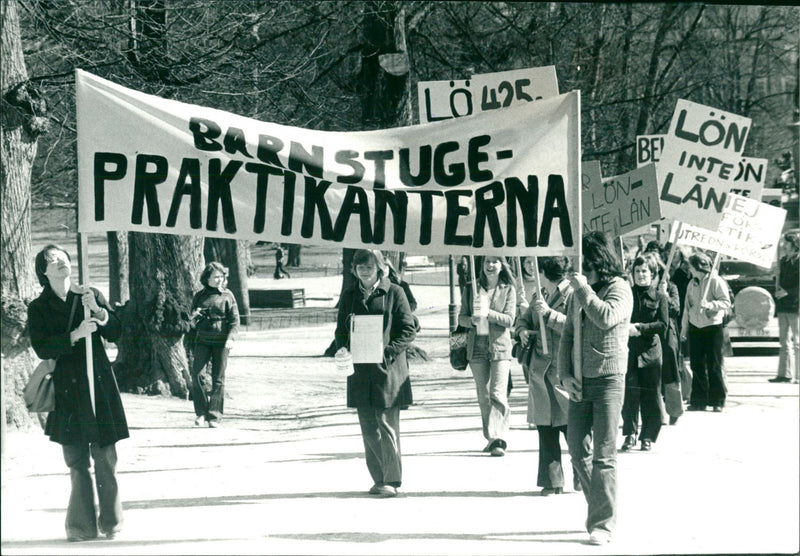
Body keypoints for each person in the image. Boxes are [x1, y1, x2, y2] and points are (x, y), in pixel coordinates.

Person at [27, 244, 127, 542]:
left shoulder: (89, 295)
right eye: (52, 261)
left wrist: (98, 313)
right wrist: (75, 336)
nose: (61, 263)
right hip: (67, 392)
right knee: (76, 461)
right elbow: (42, 347)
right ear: (43, 272)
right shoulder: (38, 307)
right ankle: (80, 526)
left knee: (105, 456)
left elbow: (116, 331)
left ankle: (112, 521)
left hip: (98, 385)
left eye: (63, 258)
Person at [557, 231, 633, 546]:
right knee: (577, 448)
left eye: (583, 262)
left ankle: (602, 523)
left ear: (596, 260)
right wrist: (564, 374)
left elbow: (606, 318)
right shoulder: (576, 292)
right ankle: (601, 505)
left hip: (608, 378)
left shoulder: (620, 288)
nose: (579, 268)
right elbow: (567, 335)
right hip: (580, 380)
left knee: (604, 453)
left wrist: (584, 289)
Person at [334, 249, 417, 498]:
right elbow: (341, 330)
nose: (364, 270)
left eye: (369, 265)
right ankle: (378, 478)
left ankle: (392, 479)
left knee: (386, 424)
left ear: (380, 267)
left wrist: (388, 353)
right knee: (368, 426)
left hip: (387, 369)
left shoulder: (395, 292)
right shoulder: (349, 294)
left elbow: (408, 330)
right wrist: (341, 348)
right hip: (359, 370)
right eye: (359, 266)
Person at [514, 256, 578, 495]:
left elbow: (576, 326)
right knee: (545, 426)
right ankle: (552, 481)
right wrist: (521, 331)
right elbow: (523, 320)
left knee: (572, 427)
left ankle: (583, 473)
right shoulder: (539, 294)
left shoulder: (573, 294)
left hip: (564, 369)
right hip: (540, 371)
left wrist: (549, 314)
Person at [458, 255, 517, 457]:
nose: (490, 265)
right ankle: (491, 438)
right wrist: (472, 320)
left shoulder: (508, 288)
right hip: (477, 346)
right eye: (486, 262)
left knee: (498, 394)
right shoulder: (471, 288)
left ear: (502, 266)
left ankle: (499, 437)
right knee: (483, 397)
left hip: (500, 346)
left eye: (495, 261)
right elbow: (461, 318)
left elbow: (510, 320)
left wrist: (488, 313)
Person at [620, 255, 669, 452]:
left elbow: (663, 325)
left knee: (652, 396)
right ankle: (630, 434)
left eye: (645, 271)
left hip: (650, 353)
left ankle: (648, 436)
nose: (641, 275)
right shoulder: (626, 295)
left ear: (652, 274)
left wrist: (640, 327)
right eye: (637, 271)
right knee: (630, 394)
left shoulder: (659, 297)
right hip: (629, 351)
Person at [189, 262, 240, 428]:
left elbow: (235, 320)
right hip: (202, 340)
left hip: (222, 341)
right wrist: (194, 316)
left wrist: (231, 338)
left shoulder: (228, 295)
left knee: (218, 378)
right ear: (207, 278)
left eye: (221, 276)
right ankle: (201, 413)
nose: (219, 280)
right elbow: (191, 322)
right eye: (215, 277)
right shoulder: (199, 296)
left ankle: (214, 416)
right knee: (197, 376)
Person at [681, 252, 731, 412]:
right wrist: (684, 328)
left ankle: (717, 400)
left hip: (712, 327)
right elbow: (686, 308)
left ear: (698, 266)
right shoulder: (691, 284)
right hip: (696, 327)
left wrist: (710, 305)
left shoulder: (715, 281)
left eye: (690, 266)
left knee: (714, 364)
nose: (688, 268)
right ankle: (699, 400)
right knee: (697, 364)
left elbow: (726, 302)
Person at [771, 232, 800, 383]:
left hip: (796, 305)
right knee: (784, 342)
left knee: (797, 342)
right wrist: (775, 275)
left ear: (794, 244)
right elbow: (778, 281)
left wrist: (787, 292)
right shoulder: (783, 261)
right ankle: (784, 374)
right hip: (783, 306)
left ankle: (799, 375)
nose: (783, 245)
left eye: (786, 243)